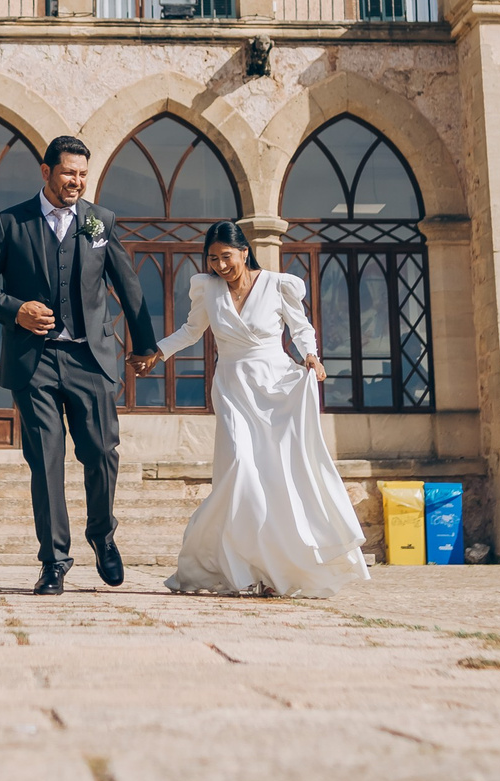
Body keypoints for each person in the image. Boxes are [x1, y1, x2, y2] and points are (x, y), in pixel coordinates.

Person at [136, 220, 372, 599]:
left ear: (244, 251)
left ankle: (272, 570)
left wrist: (310, 356)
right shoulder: (208, 289)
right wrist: (158, 352)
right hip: (232, 387)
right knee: (239, 469)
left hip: (276, 386)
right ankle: (238, 566)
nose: (219, 266)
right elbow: (191, 331)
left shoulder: (279, 285)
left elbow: (301, 327)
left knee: (277, 475)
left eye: (225, 257)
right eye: (212, 259)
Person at [0, 134, 160, 594]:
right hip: (34, 361)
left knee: (101, 452)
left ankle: (103, 535)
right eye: (69, 173)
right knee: (46, 461)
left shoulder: (98, 223)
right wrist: (16, 309)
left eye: (82, 175)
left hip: (91, 357)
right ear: (46, 172)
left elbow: (127, 286)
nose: (76, 182)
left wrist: (145, 344)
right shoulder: (12, 223)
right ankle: (54, 560)